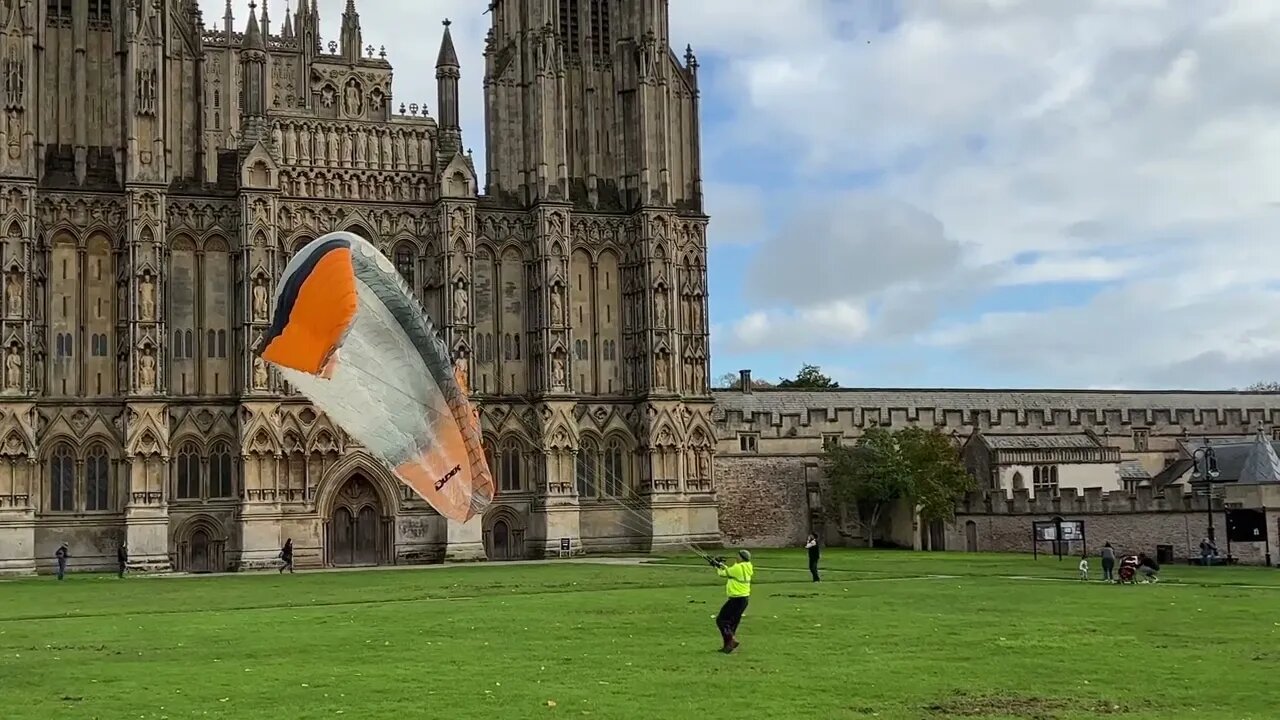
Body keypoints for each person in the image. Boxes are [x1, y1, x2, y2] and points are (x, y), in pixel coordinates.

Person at [709, 549, 754, 654]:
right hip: (744, 599)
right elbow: (731, 571)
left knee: (721, 620)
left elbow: (724, 574)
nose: (736, 558)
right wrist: (721, 565)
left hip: (736, 599)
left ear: (741, 557)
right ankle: (727, 646)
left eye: (738, 556)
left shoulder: (738, 568)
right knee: (732, 623)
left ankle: (731, 640)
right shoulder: (747, 566)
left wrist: (716, 566)